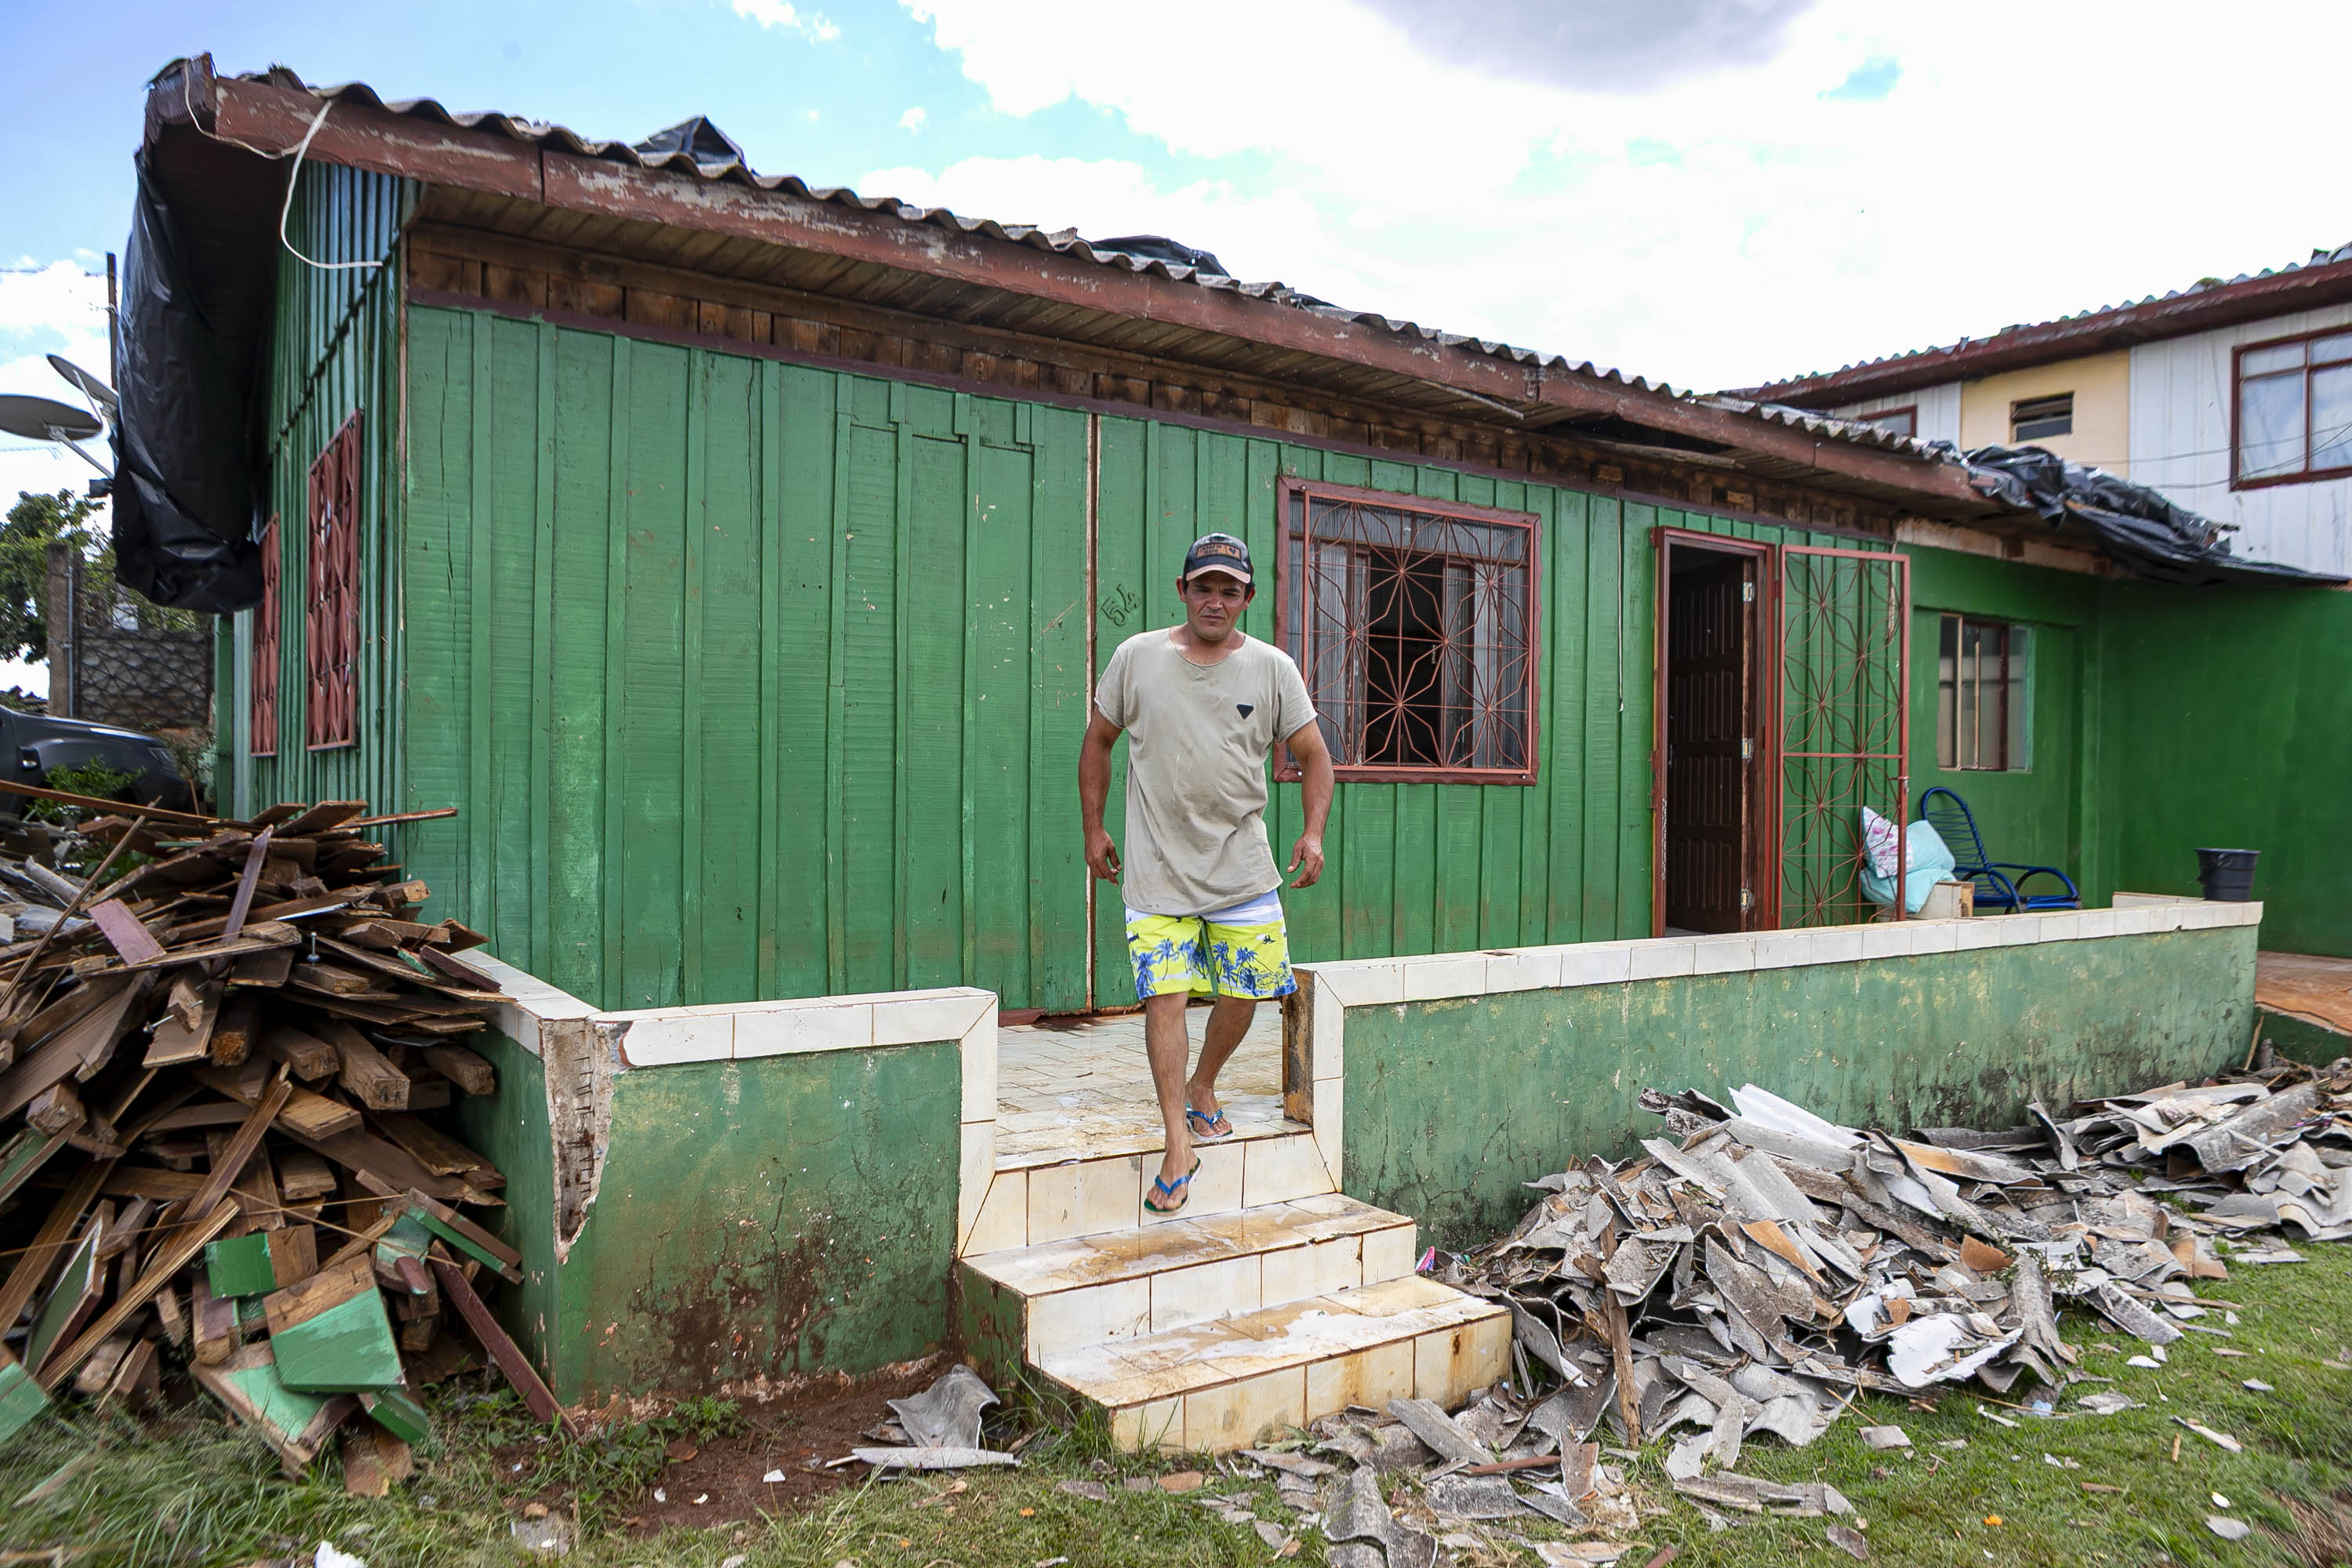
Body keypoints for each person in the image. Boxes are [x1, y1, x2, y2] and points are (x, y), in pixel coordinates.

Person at [1078, 532, 1335, 1215]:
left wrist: (1312, 833)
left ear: (1247, 598)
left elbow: (1314, 755)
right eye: (1203, 587)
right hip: (1156, 865)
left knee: (1249, 989)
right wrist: (1094, 828)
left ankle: (1203, 1085)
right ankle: (1175, 1143)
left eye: (1229, 590)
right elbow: (1098, 742)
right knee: (1163, 997)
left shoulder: (1273, 669)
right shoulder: (1136, 659)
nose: (1215, 601)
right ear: (1182, 591)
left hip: (1242, 866)